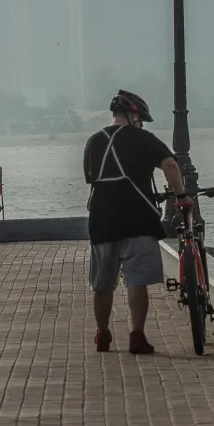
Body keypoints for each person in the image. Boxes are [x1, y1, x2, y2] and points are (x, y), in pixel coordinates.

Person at [82, 90, 189, 354]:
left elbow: (91, 178)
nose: (140, 123)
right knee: (136, 281)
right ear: (133, 115)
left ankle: (103, 335)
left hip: (102, 220)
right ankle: (136, 336)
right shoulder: (143, 138)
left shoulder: (94, 141)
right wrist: (182, 196)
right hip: (138, 220)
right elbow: (171, 166)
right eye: (140, 118)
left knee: (103, 282)